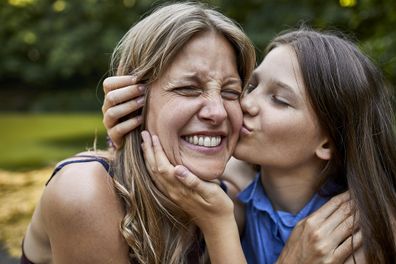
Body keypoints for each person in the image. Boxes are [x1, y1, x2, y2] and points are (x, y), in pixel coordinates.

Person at [102, 28, 396, 263]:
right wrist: (133, 130)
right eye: (251, 87)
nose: (245, 103)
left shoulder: (354, 237)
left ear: (326, 143)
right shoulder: (238, 194)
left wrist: (218, 224)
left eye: (279, 100)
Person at [21, 2, 256, 263]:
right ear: (132, 100)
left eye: (230, 92)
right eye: (188, 88)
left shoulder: (228, 203)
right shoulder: (86, 191)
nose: (219, 111)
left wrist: (219, 223)